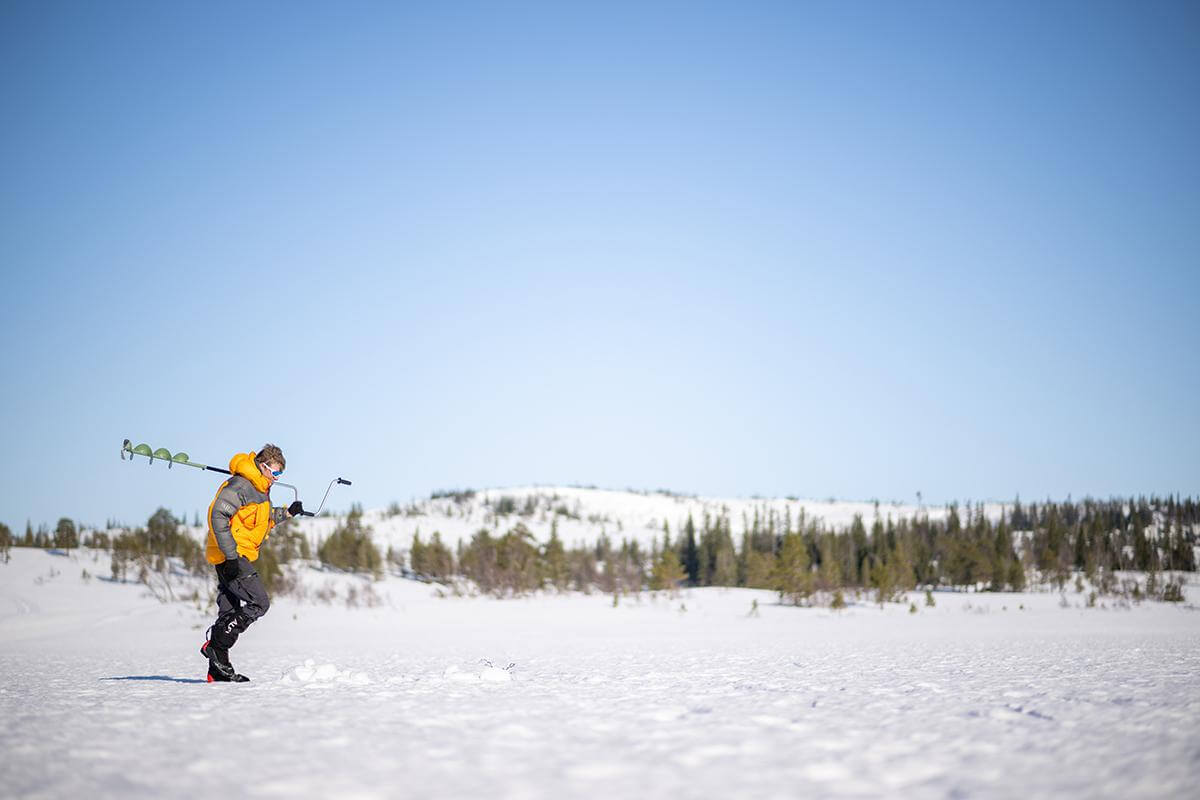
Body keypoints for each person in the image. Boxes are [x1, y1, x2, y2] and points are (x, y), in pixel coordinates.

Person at [200, 445, 302, 682]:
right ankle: (215, 644)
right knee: (260, 602)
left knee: (230, 610)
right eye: (275, 473)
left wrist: (287, 513)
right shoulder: (241, 486)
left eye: (280, 475)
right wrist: (232, 556)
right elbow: (217, 515)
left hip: (237, 554)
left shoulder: (260, 489)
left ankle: (218, 670)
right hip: (232, 555)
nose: (277, 479)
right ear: (263, 466)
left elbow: (260, 521)